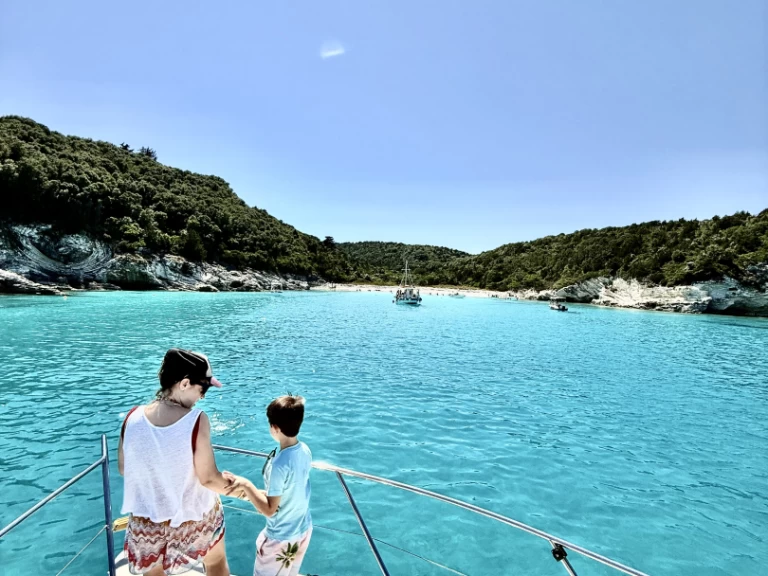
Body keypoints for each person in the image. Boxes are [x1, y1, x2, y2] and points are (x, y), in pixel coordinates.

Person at [118, 348, 233, 576]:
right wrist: (241, 489)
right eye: (203, 389)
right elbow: (208, 478)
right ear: (184, 384)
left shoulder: (132, 417)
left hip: (146, 523)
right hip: (192, 520)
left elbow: (124, 469)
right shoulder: (196, 420)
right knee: (216, 562)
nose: (202, 397)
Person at [226, 395, 313, 576]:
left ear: (274, 428)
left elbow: (269, 510)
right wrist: (263, 495)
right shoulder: (304, 450)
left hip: (280, 539)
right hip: (303, 530)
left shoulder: (280, 463)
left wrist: (245, 485)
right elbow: (292, 489)